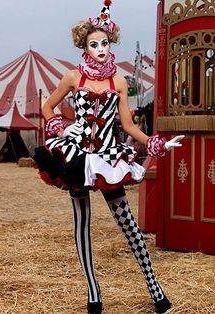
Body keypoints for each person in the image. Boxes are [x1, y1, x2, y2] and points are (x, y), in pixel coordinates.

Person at [33, 1, 184, 313]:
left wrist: (157, 143)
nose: (100, 49)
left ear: (110, 44)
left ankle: (155, 289)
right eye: (93, 44)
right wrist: (60, 128)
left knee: (127, 223)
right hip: (76, 156)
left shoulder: (118, 81)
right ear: (84, 47)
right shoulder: (73, 77)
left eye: (104, 43)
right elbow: (47, 108)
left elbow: (127, 125)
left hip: (105, 157)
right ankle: (93, 292)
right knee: (82, 222)